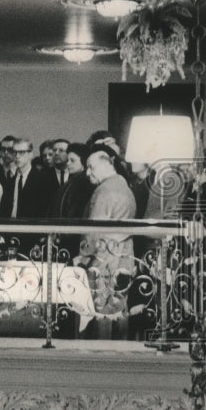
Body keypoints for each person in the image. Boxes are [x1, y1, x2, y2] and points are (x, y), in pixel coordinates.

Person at [78, 144, 137, 338]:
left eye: (91, 167)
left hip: (103, 259)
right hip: (125, 256)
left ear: (106, 164)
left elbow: (93, 231)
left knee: (100, 310)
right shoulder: (124, 187)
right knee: (119, 309)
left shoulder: (104, 191)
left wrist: (83, 257)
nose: (87, 173)